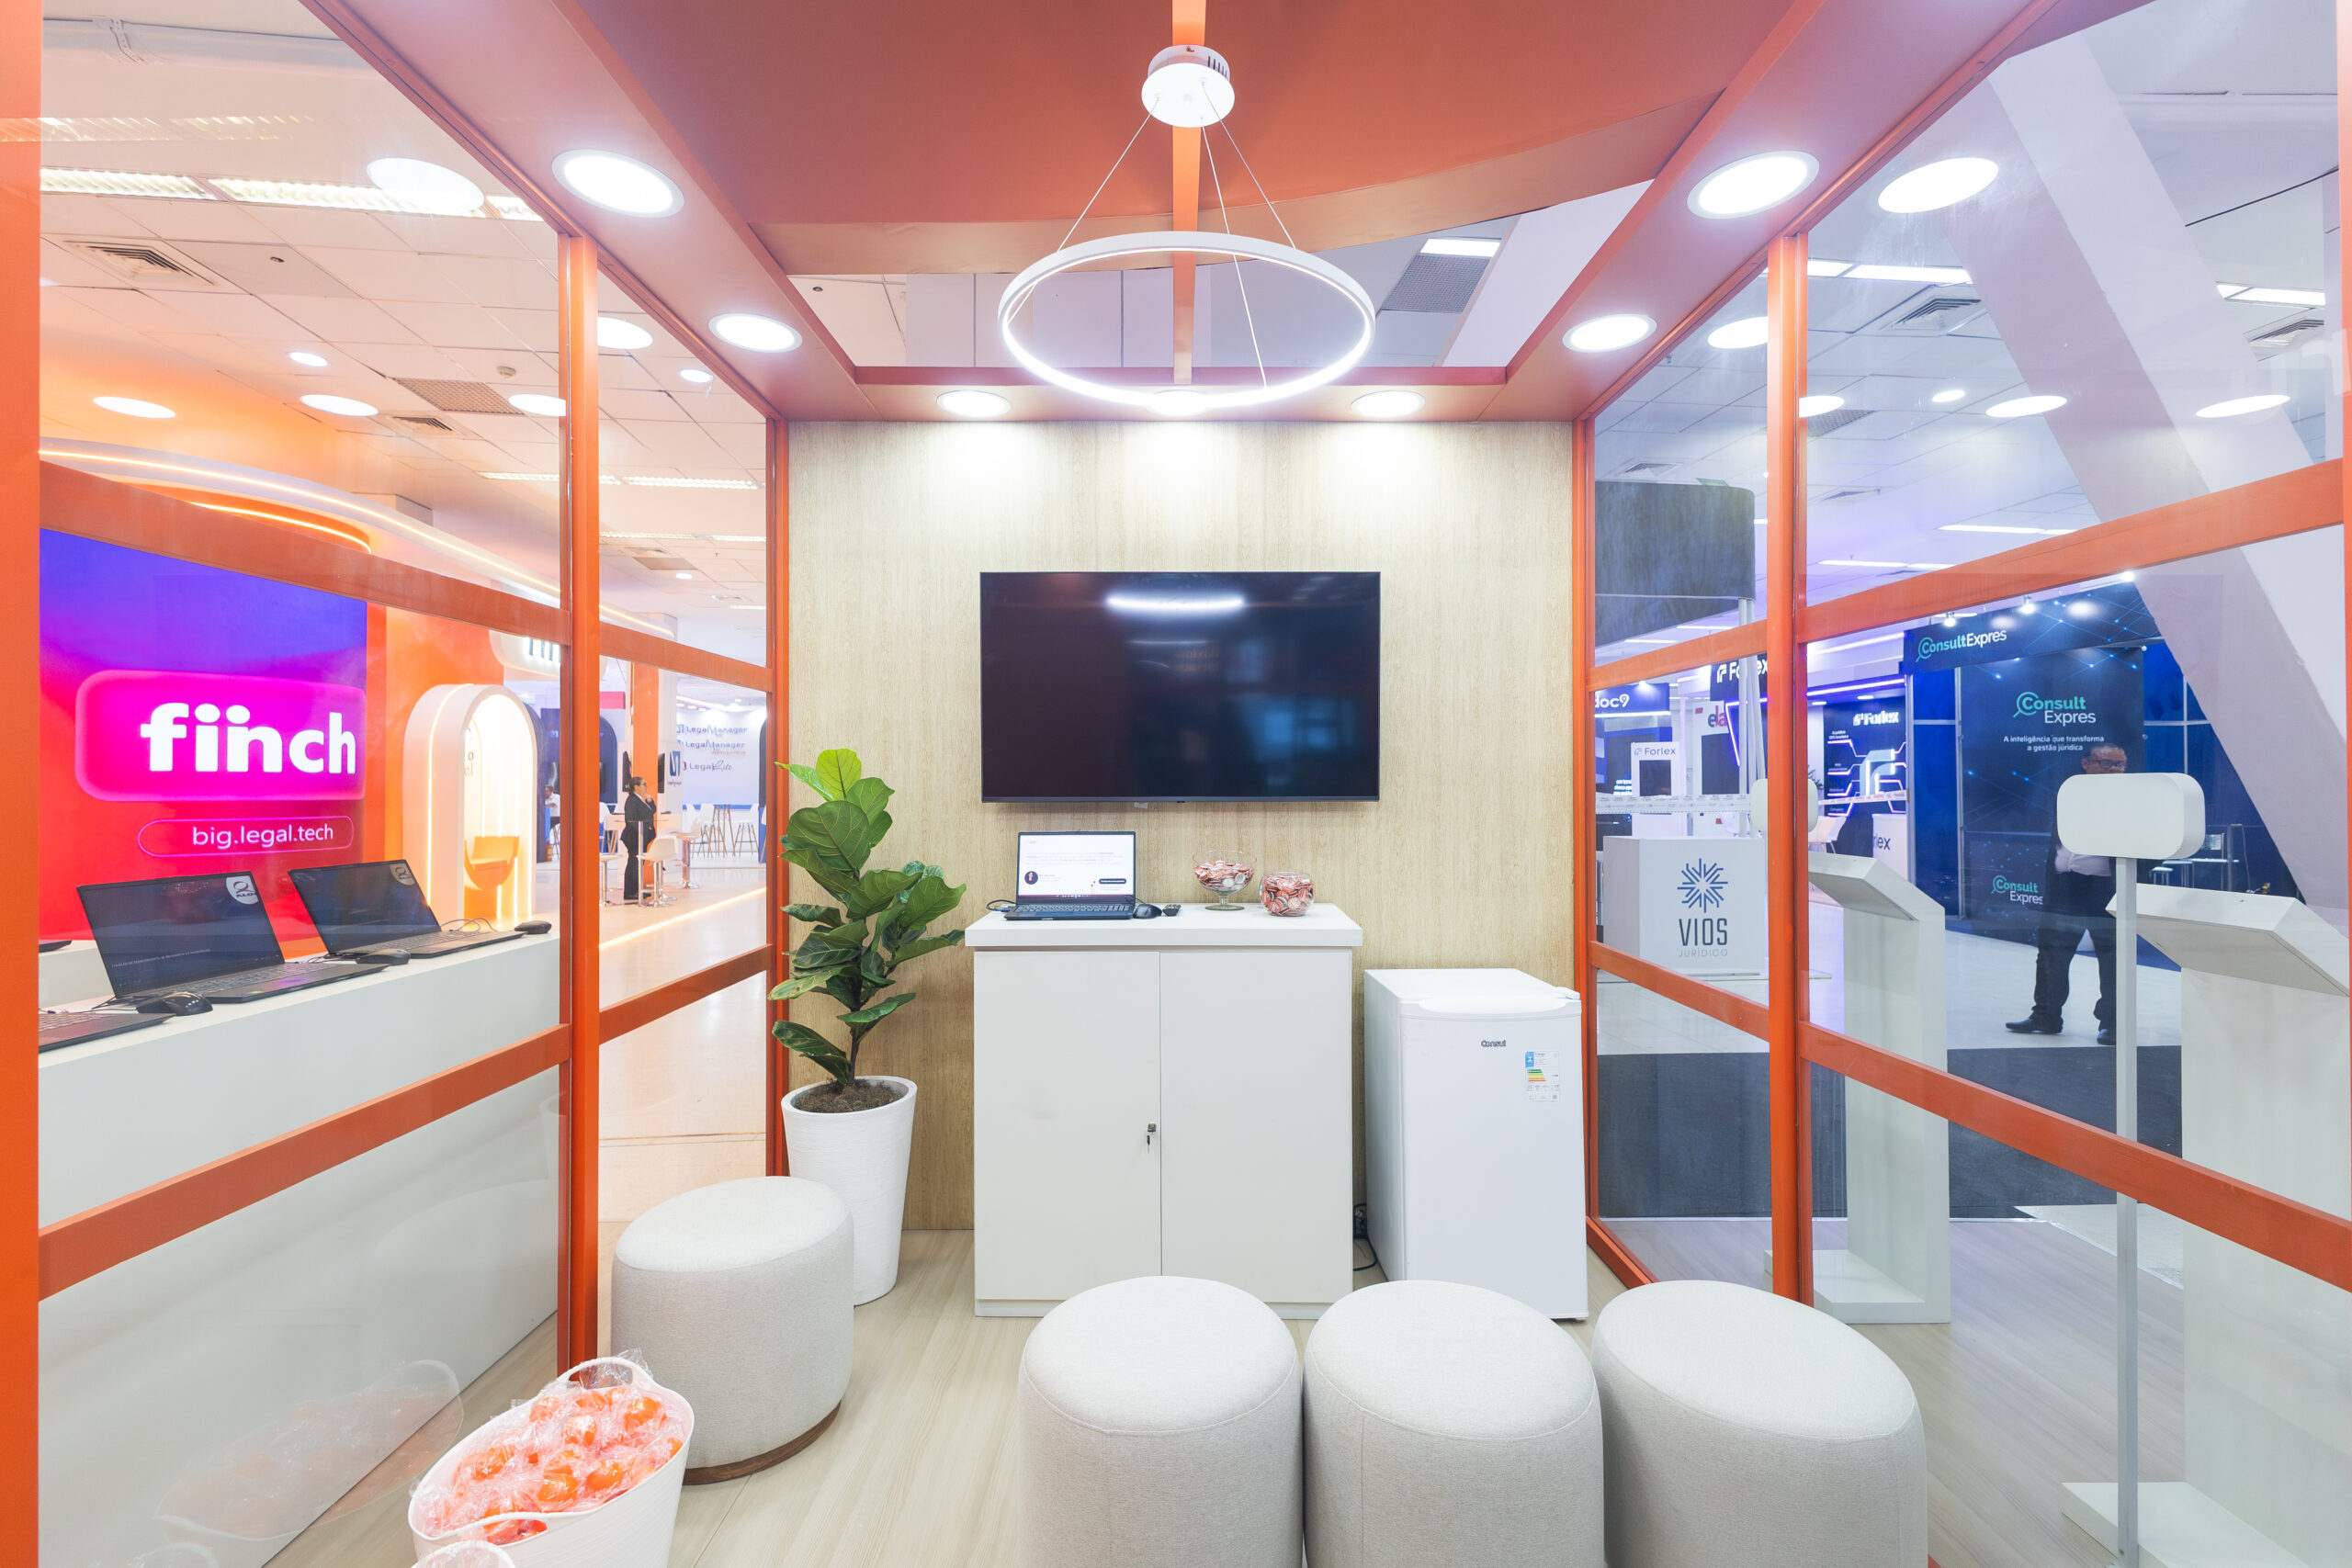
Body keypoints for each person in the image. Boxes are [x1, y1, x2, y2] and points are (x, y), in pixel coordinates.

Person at [2007, 744, 2127, 1044]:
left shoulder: (2132, 798)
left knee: (2112, 958)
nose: (2116, 770)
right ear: (2087, 763)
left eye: (2120, 765)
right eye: (2108, 764)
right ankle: (2045, 1016)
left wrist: (2136, 874)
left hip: (2106, 887)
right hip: (2065, 885)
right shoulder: (2068, 791)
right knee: (2051, 953)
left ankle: (2112, 1023)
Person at [621, 774, 658, 903]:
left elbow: (650, 812)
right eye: (644, 784)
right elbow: (631, 820)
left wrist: (650, 801)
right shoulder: (632, 800)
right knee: (633, 863)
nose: (646, 787)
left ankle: (637, 889)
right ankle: (630, 892)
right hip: (634, 837)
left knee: (638, 864)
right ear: (636, 787)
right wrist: (641, 832)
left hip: (641, 837)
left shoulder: (640, 799)